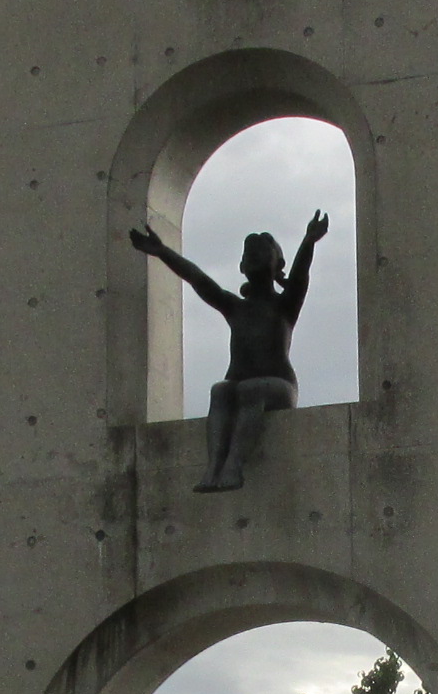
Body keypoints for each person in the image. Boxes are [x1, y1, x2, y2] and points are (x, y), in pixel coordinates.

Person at [127, 210, 329, 490]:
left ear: (277, 265)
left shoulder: (284, 305)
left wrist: (308, 241)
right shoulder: (235, 307)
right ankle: (214, 467)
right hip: (239, 383)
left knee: (251, 389)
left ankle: (234, 465)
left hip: (279, 387)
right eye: (249, 255)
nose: (254, 258)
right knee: (220, 390)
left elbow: (299, 276)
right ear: (242, 267)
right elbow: (198, 279)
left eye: (262, 253)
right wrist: (161, 251)